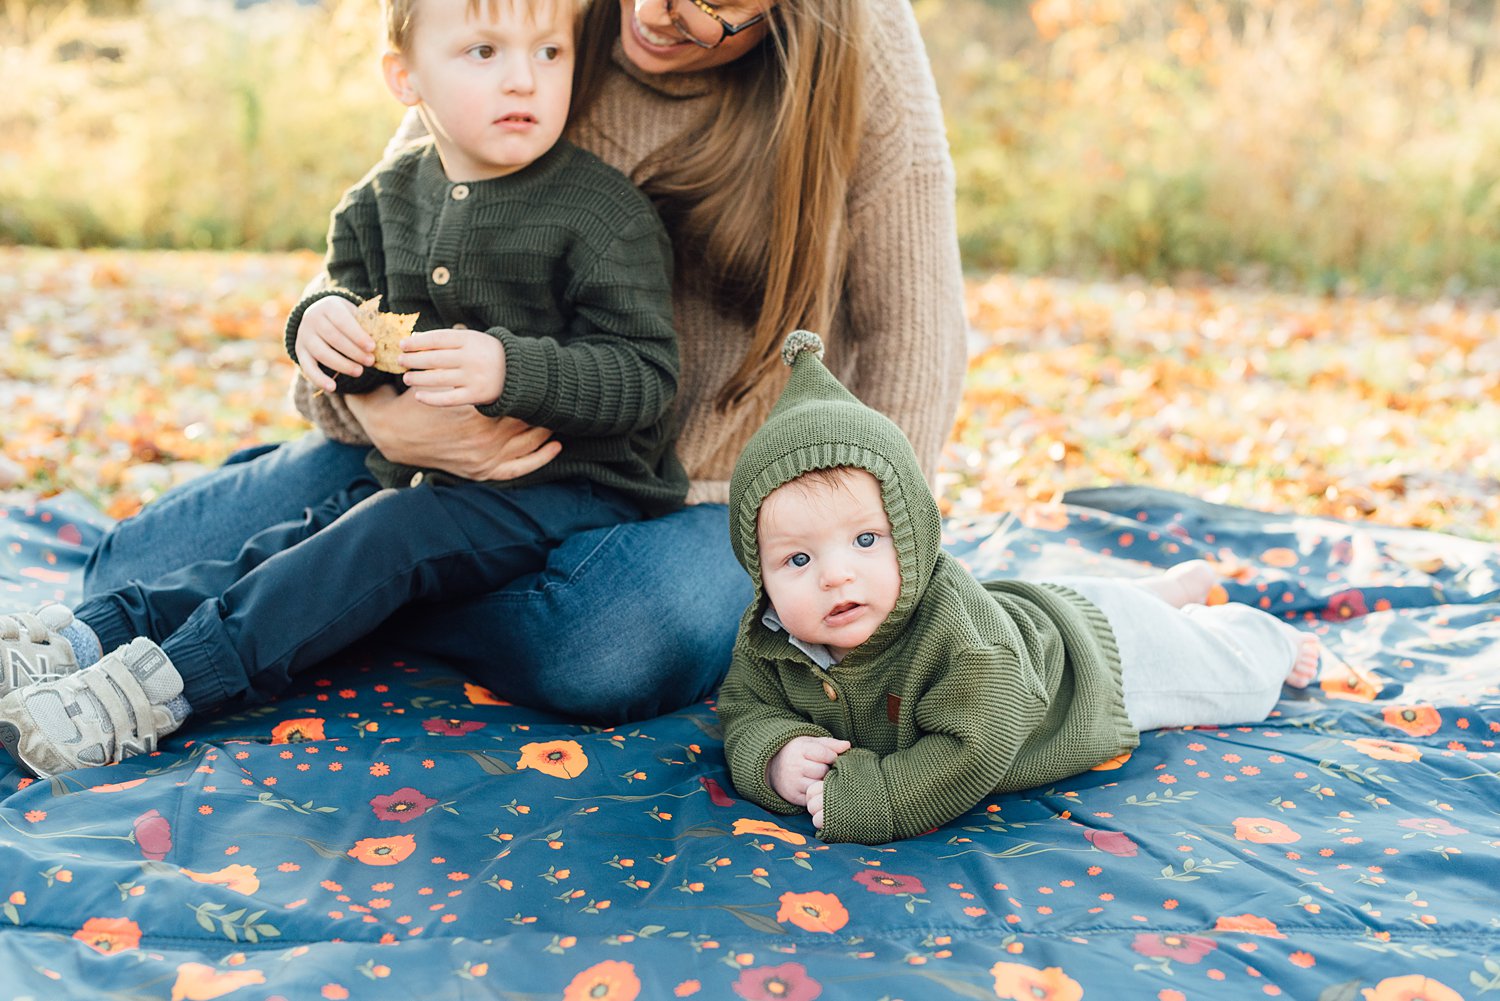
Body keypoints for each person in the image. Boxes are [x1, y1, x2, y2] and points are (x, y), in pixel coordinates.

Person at [80, 0, 968, 725]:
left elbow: (912, 335)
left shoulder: (862, 50)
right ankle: (350, 569)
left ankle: (345, 586)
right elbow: (379, 243)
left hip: (700, 486)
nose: (663, 15)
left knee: (606, 650)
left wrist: (878, 547)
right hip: (439, 445)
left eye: (716, 9)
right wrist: (382, 415)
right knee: (131, 567)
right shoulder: (519, 21)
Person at [0, 0, 687, 777]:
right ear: (406, 77)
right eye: (484, 52)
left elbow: (646, 375)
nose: (523, 79)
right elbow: (346, 307)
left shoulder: (601, 213)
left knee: (385, 537)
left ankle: (161, 686)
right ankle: (91, 635)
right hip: (418, 470)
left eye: (551, 53)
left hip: (567, 484)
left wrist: (510, 368)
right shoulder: (382, 199)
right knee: (299, 545)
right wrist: (318, 326)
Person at [716, 332, 1320, 846]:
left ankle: (1263, 638)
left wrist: (875, 796)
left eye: (866, 541)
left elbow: (974, 746)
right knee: (1110, 599)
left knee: (1227, 679)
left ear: (914, 531)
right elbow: (745, 710)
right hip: (1036, 607)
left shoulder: (965, 641)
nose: (835, 575)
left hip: (1094, 665)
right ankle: (1165, 589)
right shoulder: (772, 642)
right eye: (798, 558)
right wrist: (774, 753)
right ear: (760, 575)